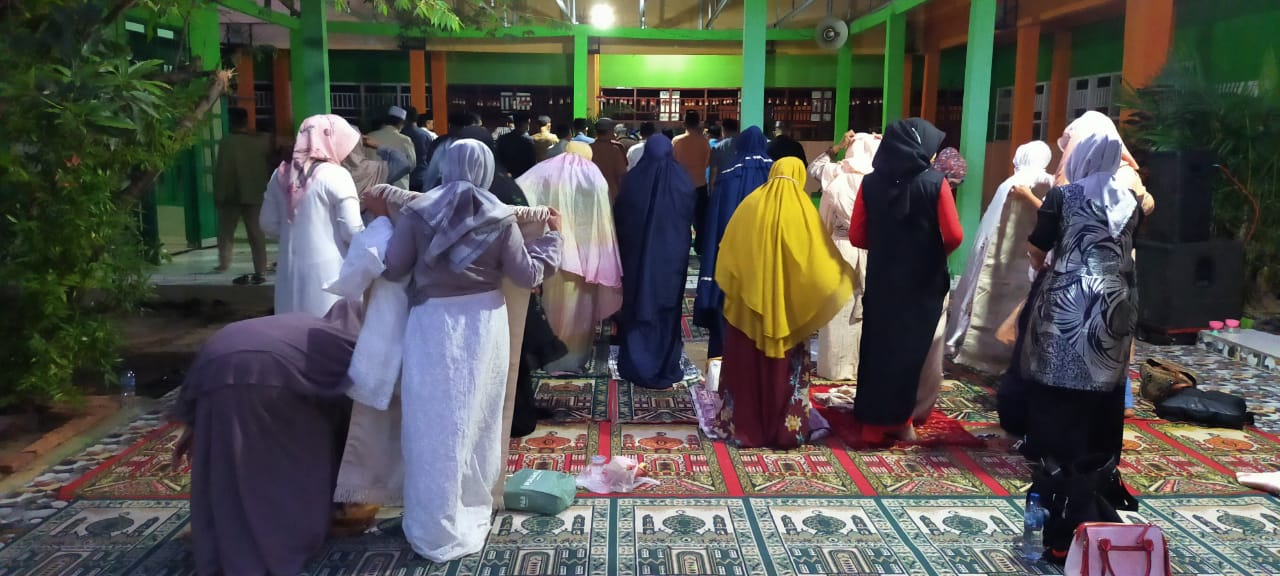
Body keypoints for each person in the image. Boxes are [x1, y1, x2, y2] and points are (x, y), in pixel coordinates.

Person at [374, 139, 562, 562]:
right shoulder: (500, 216)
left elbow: (394, 266)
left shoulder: (418, 212)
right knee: (477, 418)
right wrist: (554, 239)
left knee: (431, 423)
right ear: (488, 169)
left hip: (431, 326)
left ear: (444, 164)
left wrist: (381, 223)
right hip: (482, 325)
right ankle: (469, 503)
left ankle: (431, 519)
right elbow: (527, 275)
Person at [1022, 114, 1144, 563]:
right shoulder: (1131, 199)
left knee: (1060, 398)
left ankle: (1061, 507)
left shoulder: (1063, 196)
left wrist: (1047, 267)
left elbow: (1038, 246)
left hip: (1069, 304)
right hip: (1115, 305)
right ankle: (1092, 489)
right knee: (1100, 397)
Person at [171, 301, 364, 576]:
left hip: (214, 359)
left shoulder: (314, 327)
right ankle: (271, 551)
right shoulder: (353, 348)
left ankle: (220, 547)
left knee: (226, 460)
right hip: (266, 372)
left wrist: (196, 424)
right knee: (283, 467)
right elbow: (358, 430)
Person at [713, 157, 853, 449]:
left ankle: (743, 428)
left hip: (747, 312)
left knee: (747, 367)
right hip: (788, 314)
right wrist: (840, 279)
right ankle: (785, 431)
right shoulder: (803, 210)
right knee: (783, 370)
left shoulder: (750, 204)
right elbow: (818, 265)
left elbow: (728, 251)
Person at [849, 118, 964, 443]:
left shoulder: (870, 183)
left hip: (883, 279)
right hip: (922, 282)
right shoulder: (935, 183)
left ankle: (871, 423)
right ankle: (902, 421)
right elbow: (954, 235)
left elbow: (857, 236)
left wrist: (887, 245)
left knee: (878, 346)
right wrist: (930, 251)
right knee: (912, 350)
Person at [946, 141, 1054, 374]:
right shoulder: (1053, 183)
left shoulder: (1010, 184)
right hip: (1034, 258)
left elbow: (989, 229)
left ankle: (979, 352)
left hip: (1000, 261)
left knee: (988, 304)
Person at [517, 142, 623, 373]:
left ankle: (548, 357)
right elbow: (602, 217)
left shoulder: (545, 170)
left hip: (551, 249)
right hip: (585, 254)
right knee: (579, 310)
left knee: (550, 305)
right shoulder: (593, 175)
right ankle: (573, 358)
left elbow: (521, 191)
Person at [260, 114, 366, 317]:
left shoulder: (279, 174)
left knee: (290, 325)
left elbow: (267, 223)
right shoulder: (336, 174)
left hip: (287, 271)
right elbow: (352, 231)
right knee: (326, 327)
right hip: (330, 272)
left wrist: (294, 232)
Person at [615, 135, 697, 389]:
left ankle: (636, 362)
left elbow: (620, 216)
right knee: (666, 306)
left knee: (637, 301)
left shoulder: (633, 180)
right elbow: (688, 213)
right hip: (671, 259)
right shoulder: (682, 180)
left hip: (636, 257)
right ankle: (664, 362)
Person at [692, 126, 771, 359]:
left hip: (730, 252)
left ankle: (724, 356)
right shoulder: (775, 175)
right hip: (763, 254)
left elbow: (717, 218)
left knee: (728, 302)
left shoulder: (729, 174)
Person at [809, 131, 881, 381]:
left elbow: (815, 169)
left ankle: (834, 367)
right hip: (870, 250)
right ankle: (860, 366)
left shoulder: (836, 178)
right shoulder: (879, 182)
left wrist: (837, 146)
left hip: (841, 247)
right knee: (865, 307)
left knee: (838, 307)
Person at [213, 107, 271, 285]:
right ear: (246, 121)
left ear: (230, 122)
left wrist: (219, 194)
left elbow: (222, 171)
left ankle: (224, 264)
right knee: (256, 233)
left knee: (226, 231)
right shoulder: (258, 142)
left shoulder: (226, 143)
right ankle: (261, 267)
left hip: (231, 193)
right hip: (254, 193)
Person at [673, 110, 711, 255]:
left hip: (681, 185)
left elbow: (672, 163)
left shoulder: (677, 141)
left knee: (681, 218)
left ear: (684, 123)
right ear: (698, 123)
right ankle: (700, 247)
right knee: (700, 219)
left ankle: (681, 246)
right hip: (700, 184)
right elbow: (707, 163)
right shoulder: (704, 142)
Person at [367, 107, 416, 189]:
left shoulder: (370, 136)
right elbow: (411, 164)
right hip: (399, 188)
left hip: (374, 187)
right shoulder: (405, 140)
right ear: (401, 123)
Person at [589, 117, 629, 203]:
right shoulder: (616, 150)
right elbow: (621, 175)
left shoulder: (589, 149)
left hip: (593, 196)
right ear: (610, 132)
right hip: (612, 196)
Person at [402, 106, 432, 192]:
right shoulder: (426, 135)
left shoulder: (401, 135)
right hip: (422, 177)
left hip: (406, 179)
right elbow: (430, 156)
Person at [708, 118, 740, 191]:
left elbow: (713, 172)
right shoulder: (745, 145)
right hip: (741, 187)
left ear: (723, 129)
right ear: (737, 129)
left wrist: (711, 191)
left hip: (723, 187)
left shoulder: (717, 148)